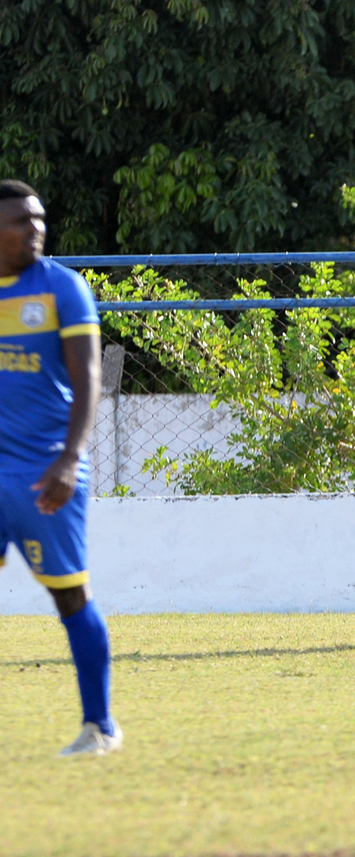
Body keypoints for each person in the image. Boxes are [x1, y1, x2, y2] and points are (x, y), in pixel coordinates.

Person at [0, 180, 120, 755]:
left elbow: (88, 377)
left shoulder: (61, 288)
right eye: (21, 221)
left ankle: (100, 727)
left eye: (39, 218)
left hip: (44, 471)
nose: (36, 229)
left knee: (70, 596)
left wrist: (70, 458)